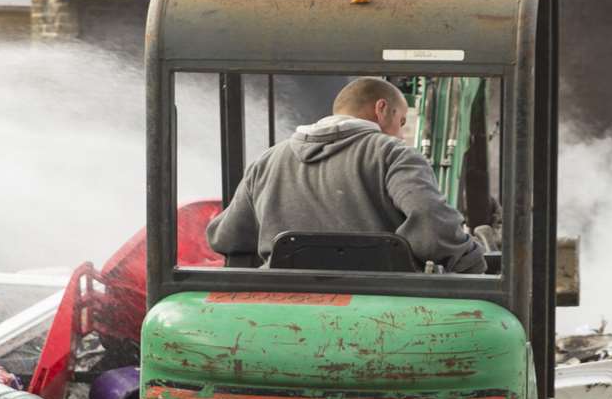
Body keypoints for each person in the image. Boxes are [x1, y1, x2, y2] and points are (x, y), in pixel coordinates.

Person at [205, 76, 485, 273]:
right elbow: (430, 224)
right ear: (381, 108)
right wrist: (471, 261)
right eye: (401, 122)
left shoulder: (268, 160)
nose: (400, 134)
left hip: (282, 310)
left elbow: (225, 237)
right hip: (382, 311)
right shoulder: (393, 154)